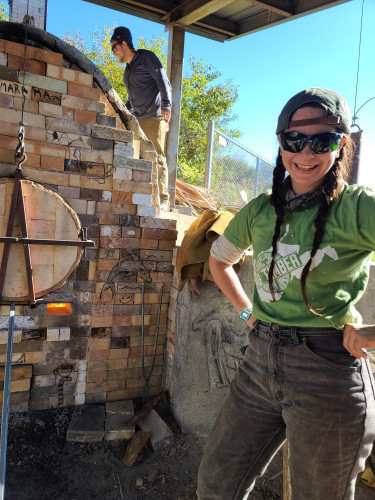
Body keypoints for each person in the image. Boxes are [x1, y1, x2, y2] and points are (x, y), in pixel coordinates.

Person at [197, 88, 375, 500]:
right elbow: (219, 260)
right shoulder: (261, 209)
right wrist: (246, 314)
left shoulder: (358, 208)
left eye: (323, 140)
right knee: (216, 485)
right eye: (295, 140)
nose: (307, 152)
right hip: (258, 363)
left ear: (342, 143)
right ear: (280, 142)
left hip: (327, 370)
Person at [110, 26, 172, 211]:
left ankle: (163, 199)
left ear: (124, 43)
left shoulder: (146, 58)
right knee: (139, 159)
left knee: (157, 158)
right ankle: (144, 196)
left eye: (114, 47)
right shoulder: (127, 72)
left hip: (154, 118)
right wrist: (121, 111)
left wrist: (167, 105)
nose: (113, 52)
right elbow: (133, 100)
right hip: (137, 120)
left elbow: (163, 80)